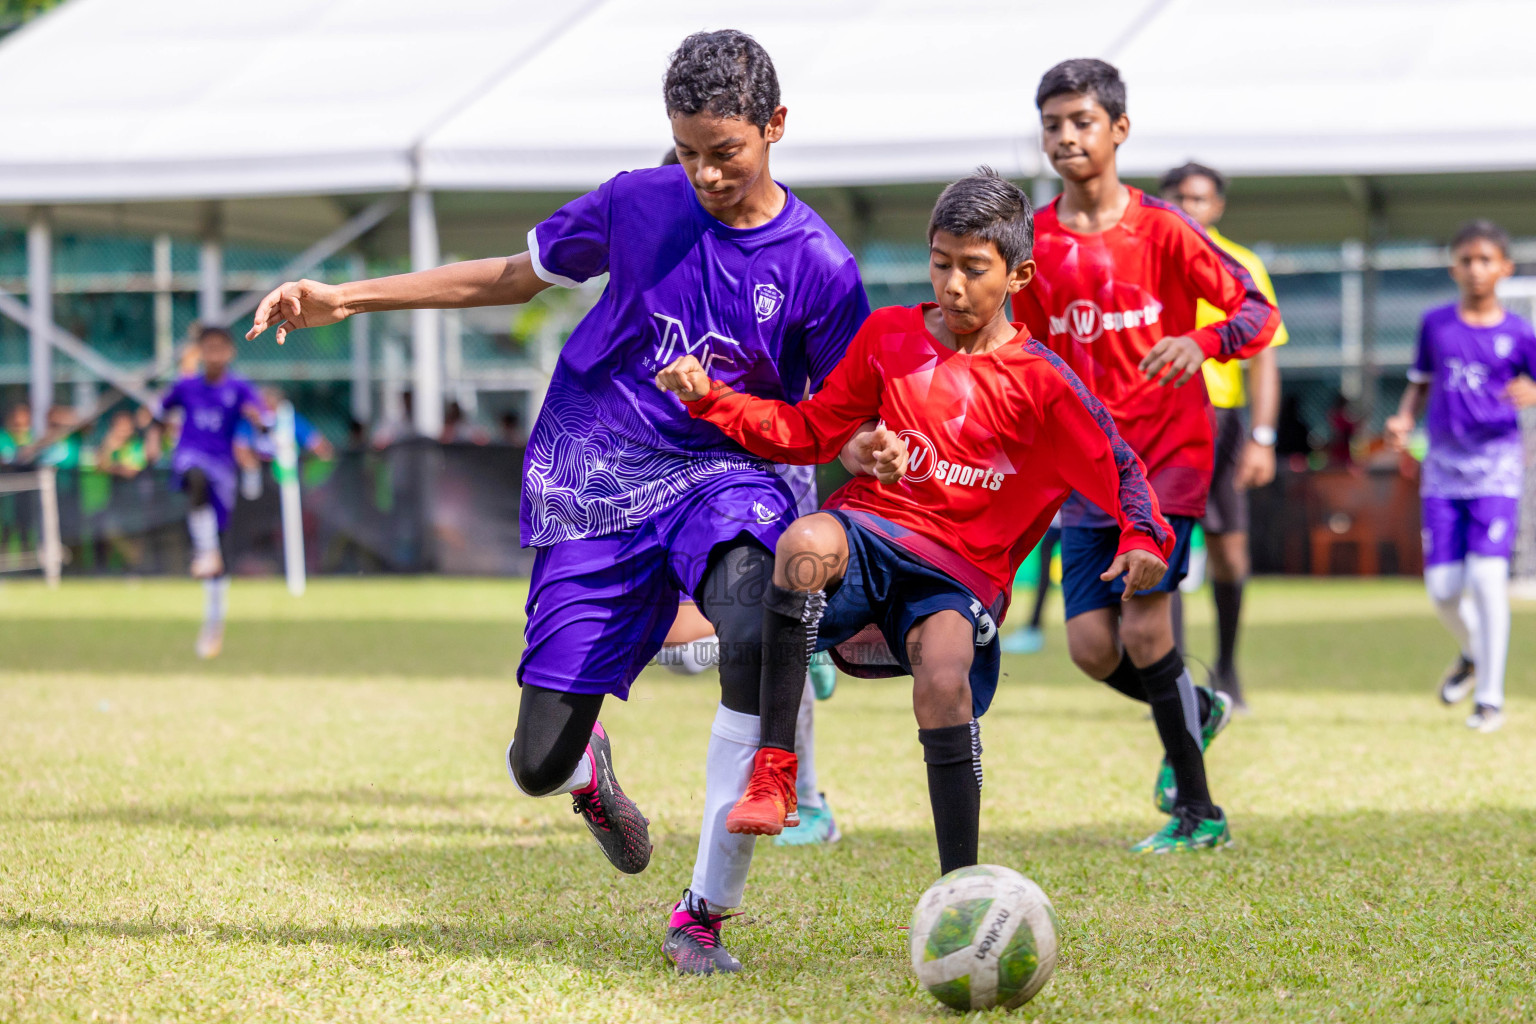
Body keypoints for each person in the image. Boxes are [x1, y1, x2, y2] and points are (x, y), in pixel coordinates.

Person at [246, 30, 870, 975]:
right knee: (534, 762)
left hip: (727, 474)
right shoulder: (636, 203)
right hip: (600, 470)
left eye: (726, 152)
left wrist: (861, 518)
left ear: (776, 128)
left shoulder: (822, 268)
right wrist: (350, 298)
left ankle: (703, 909)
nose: (704, 173)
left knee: (749, 625)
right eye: (689, 150)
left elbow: (842, 416)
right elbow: (510, 275)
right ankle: (585, 768)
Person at [658, 169, 1174, 872]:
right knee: (804, 543)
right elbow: (807, 430)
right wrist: (712, 399)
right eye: (940, 263)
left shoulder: (1044, 382)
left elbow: (1121, 470)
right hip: (873, 533)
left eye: (974, 268)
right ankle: (777, 774)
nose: (952, 285)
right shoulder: (887, 337)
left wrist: (1145, 538)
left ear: (1018, 274)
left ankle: (960, 882)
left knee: (943, 681)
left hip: (958, 573)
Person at [1012, 60, 1280, 850]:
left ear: (1118, 129)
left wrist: (1202, 342)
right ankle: (1198, 708)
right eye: (1053, 123)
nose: (1066, 136)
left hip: (1167, 464)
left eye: (1082, 121)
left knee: (1147, 631)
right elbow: (1015, 345)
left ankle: (1200, 813)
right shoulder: (1035, 241)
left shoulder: (1164, 229)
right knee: (1093, 650)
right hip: (1083, 469)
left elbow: (1257, 313)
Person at [1386, 220, 1536, 733]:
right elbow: (1418, 385)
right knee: (1444, 588)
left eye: (1486, 259)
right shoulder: (1435, 325)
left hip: (1497, 469)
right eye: (1466, 259)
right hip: (1444, 473)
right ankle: (1473, 654)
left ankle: (1489, 698)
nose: (1476, 269)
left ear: (1505, 269)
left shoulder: (1519, 333)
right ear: (1453, 267)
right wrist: (1404, 419)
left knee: (1488, 579)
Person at [655, 461, 842, 847]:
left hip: (780, 509)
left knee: (782, 650)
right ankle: (806, 646)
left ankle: (807, 804)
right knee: (680, 655)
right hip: (706, 503)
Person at [1159, 161, 1289, 709]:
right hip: (1158, 418)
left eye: (1200, 200)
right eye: (1179, 199)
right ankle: (1178, 684)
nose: (1190, 209)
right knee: (1164, 552)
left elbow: (1263, 360)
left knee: (1230, 555)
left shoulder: (1243, 264)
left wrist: (1262, 435)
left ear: (1218, 207)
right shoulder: (1146, 259)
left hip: (1220, 419)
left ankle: (1229, 667)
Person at [145, 326, 270, 659]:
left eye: (220, 348)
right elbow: (157, 414)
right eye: (208, 348)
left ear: (230, 352)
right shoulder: (186, 386)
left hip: (224, 470)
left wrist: (259, 422)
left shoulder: (239, 387)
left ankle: (214, 621)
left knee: (221, 558)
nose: (214, 355)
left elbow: (266, 421)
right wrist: (153, 440)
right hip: (191, 458)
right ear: (200, 352)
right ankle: (204, 550)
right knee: (194, 476)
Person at [233, 385, 334, 500]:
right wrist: (252, 466)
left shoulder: (293, 421)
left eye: (267, 404)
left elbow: (323, 449)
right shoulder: (247, 424)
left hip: (289, 473)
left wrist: (310, 475)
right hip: (259, 472)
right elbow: (240, 447)